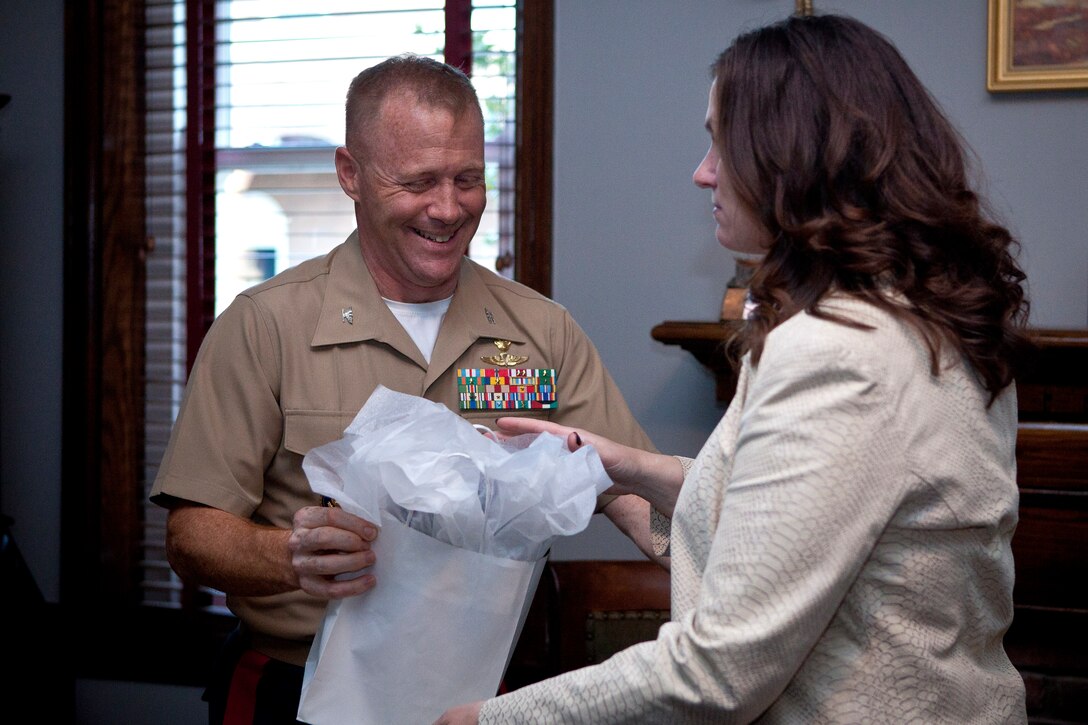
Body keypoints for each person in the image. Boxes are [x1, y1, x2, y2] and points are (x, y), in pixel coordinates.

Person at [437, 12, 1030, 724]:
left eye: (722, 143)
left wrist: (487, 720)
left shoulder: (837, 352)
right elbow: (807, 518)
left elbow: (719, 670)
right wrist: (630, 469)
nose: (702, 172)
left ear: (793, 157)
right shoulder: (926, 313)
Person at [150, 54, 663, 725]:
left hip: (481, 696)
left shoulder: (540, 330)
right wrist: (288, 556)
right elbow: (191, 534)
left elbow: (633, 491)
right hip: (299, 685)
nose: (448, 209)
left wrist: (730, 575)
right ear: (350, 174)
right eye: (418, 182)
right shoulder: (266, 324)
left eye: (467, 179)